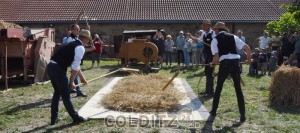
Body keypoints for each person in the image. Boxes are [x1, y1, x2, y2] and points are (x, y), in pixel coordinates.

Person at [208, 22, 251, 122]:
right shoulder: (233, 37)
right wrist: (248, 60)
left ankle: (213, 111)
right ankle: (242, 115)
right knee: (238, 89)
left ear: (217, 30)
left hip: (225, 65)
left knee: (218, 88)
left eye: (215, 30)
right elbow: (247, 48)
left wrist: (213, 64)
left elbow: (216, 57)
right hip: (235, 64)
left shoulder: (215, 40)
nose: (214, 31)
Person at [47, 29, 92, 125]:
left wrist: (82, 78)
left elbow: (76, 66)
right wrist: (72, 82)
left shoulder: (73, 43)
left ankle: (53, 118)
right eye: (88, 39)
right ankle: (76, 117)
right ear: (86, 39)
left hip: (51, 67)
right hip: (58, 69)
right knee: (65, 95)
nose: (89, 41)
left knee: (57, 93)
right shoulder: (80, 48)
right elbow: (75, 67)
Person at [201, 19, 216, 97]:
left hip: (212, 56)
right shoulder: (203, 34)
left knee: (210, 73)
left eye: (205, 25)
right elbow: (199, 41)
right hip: (206, 55)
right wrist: (191, 37)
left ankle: (211, 92)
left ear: (209, 25)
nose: (203, 26)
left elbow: (216, 44)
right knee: (207, 72)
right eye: (203, 25)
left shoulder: (213, 34)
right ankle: (207, 90)